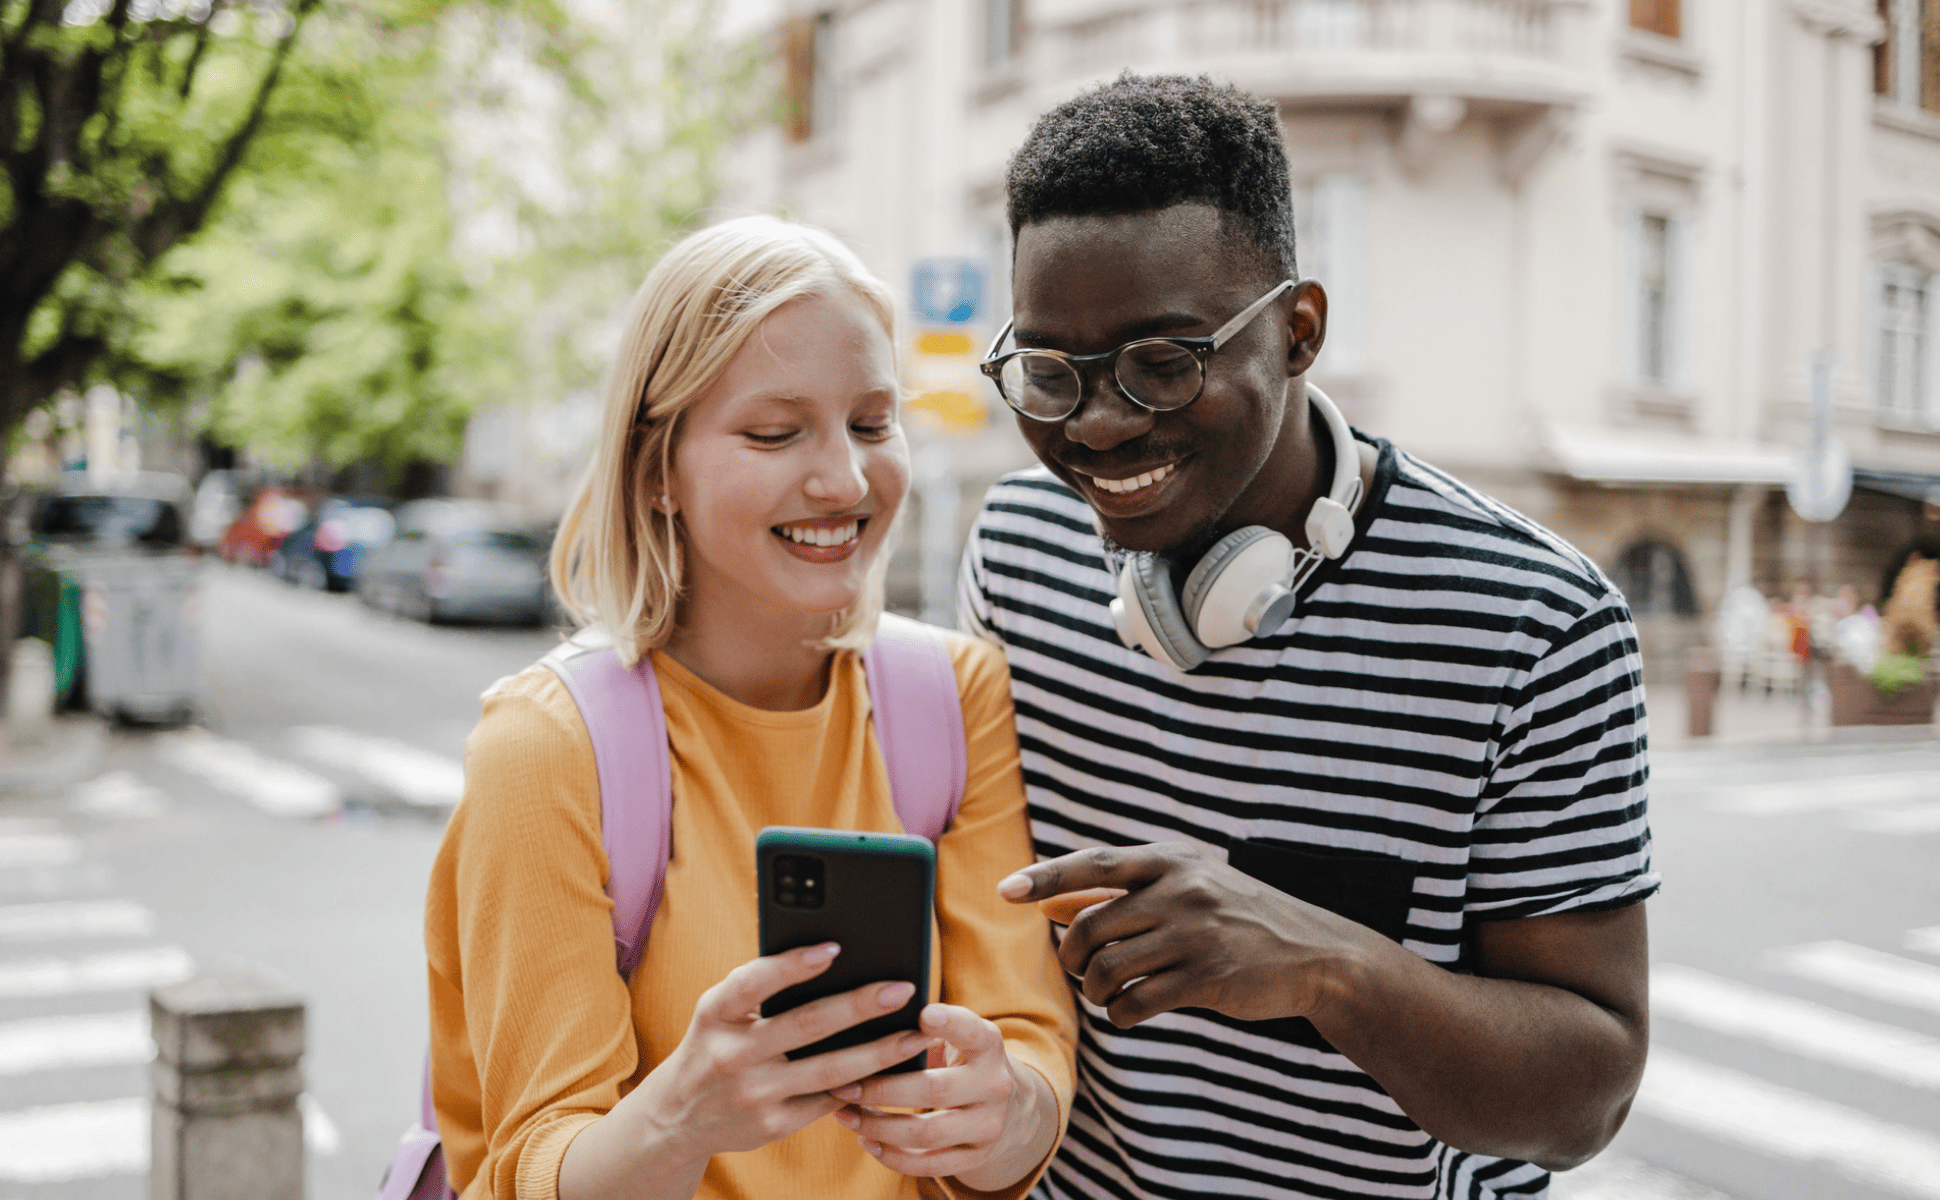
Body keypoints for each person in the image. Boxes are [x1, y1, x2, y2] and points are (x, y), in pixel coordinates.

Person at [958, 76, 1657, 1200]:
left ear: (1297, 331)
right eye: (1049, 372)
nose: (1094, 424)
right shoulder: (1015, 546)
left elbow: (1581, 1102)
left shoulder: (1536, 622)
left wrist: (1322, 963)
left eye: (1163, 362)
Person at [425, 216, 1075, 1200]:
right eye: (774, 432)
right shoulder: (546, 748)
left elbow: (1027, 1046)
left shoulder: (955, 696)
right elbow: (533, 1165)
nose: (845, 480)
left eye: (870, 422)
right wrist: (680, 1117)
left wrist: (1007, 1113)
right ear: (655, 470)